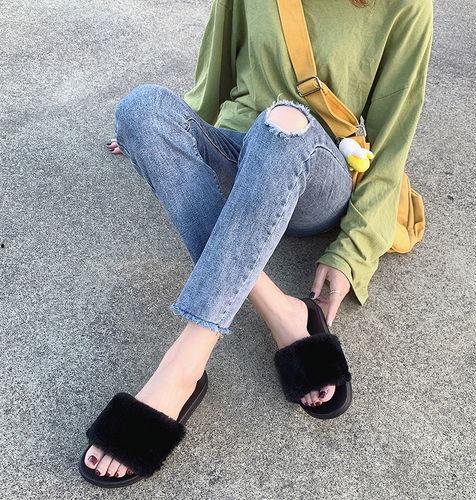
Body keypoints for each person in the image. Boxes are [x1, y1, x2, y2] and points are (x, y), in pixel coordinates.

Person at [80, 0, 433, 484]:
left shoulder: (406, 5)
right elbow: (215, 73)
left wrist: (352, 250)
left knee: (283, 122)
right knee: (140, 109)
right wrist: (159, 140)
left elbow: (392, 145)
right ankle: (281, 310)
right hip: (237, 152)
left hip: (313, 169)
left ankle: (184, 365)